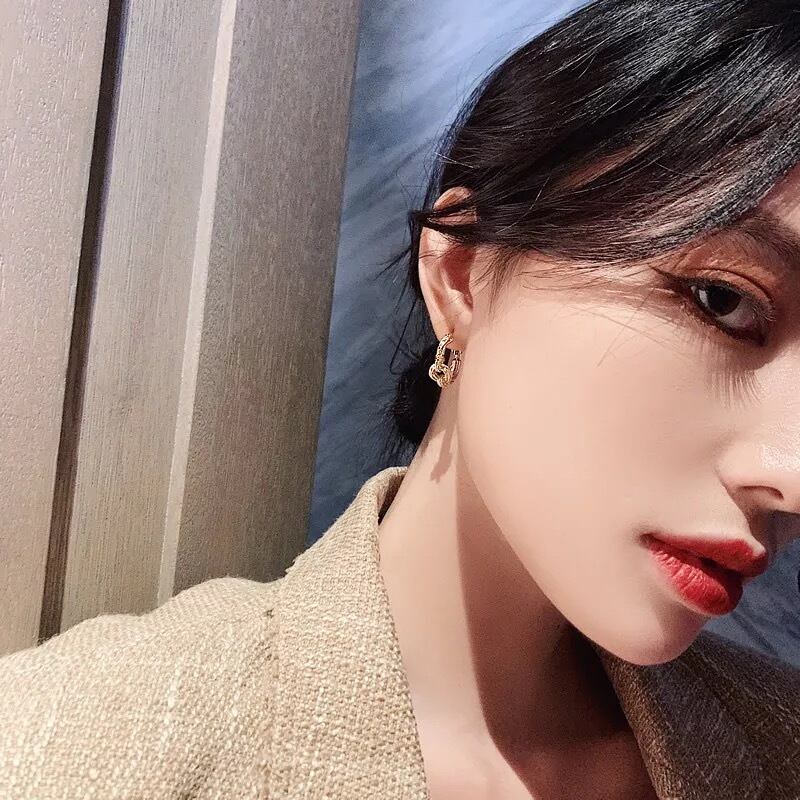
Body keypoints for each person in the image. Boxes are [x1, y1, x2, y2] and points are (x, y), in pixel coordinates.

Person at [2, 0, 800, 798]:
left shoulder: (779, 744)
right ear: (463, 276)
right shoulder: (68, 748)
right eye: (722, 300)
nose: (791, 478)